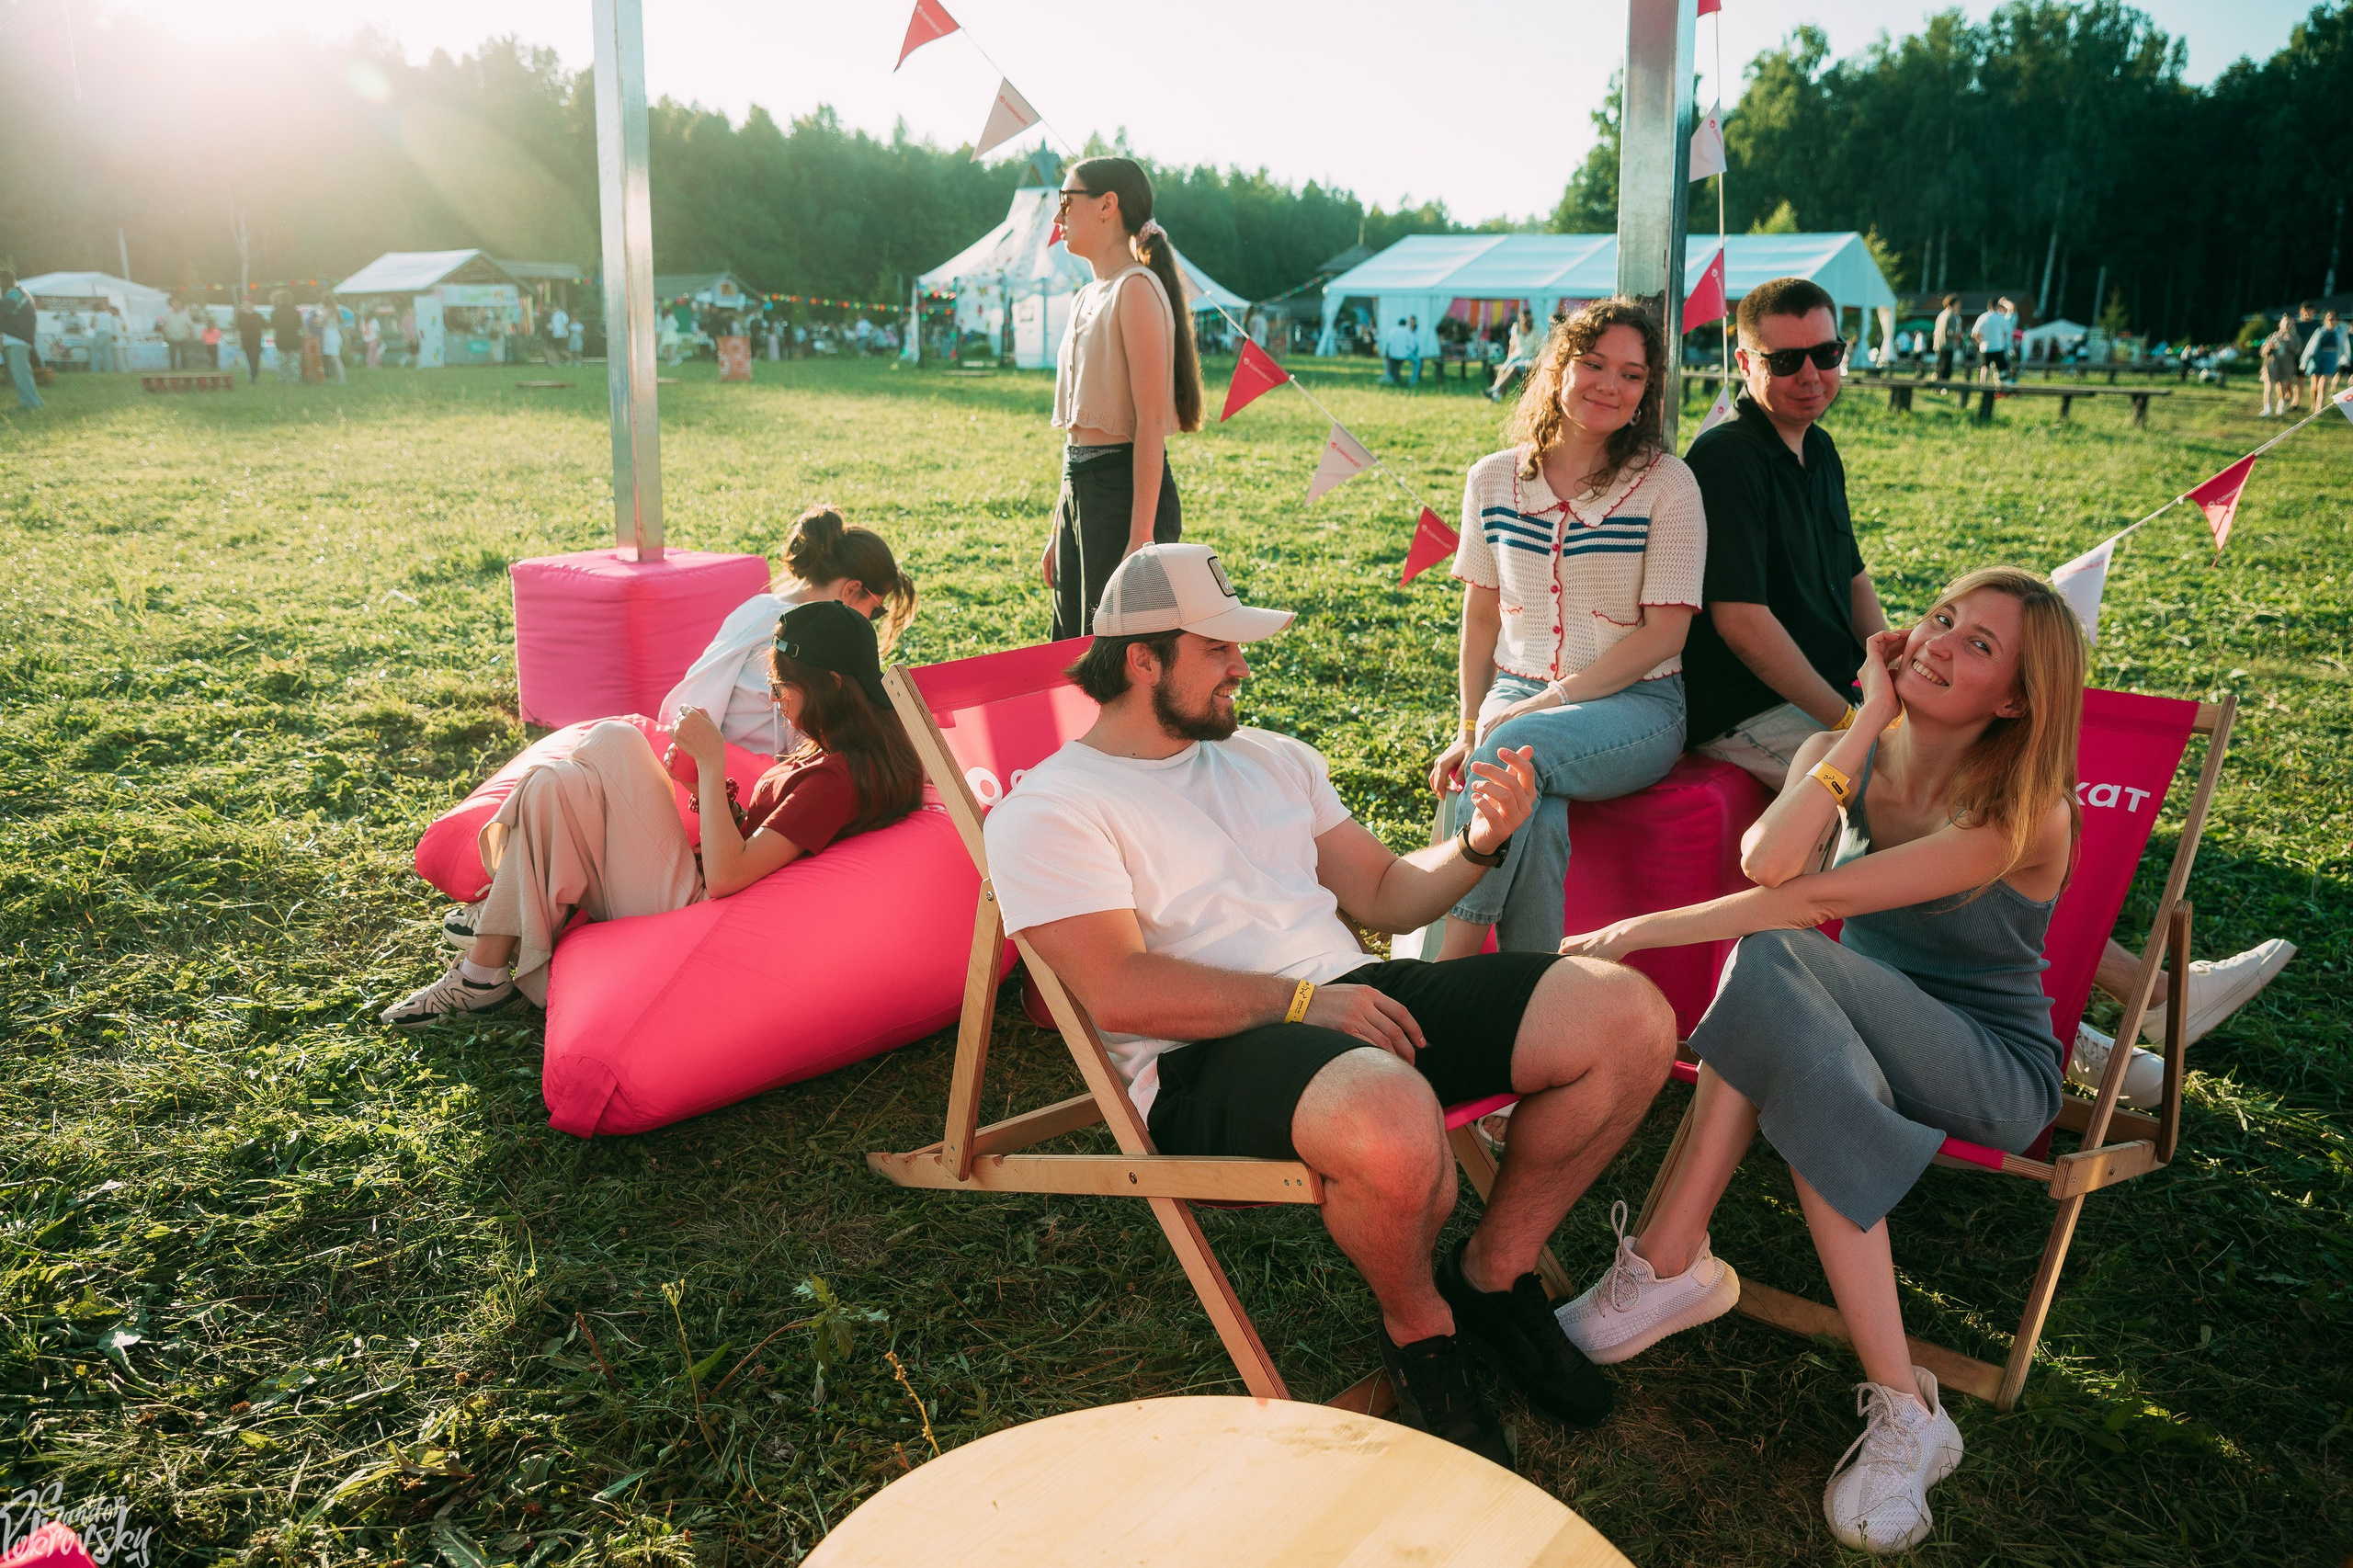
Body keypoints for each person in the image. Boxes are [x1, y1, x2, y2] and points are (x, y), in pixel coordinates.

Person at [983, 542, 1677, 1467]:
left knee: (1626, 1015)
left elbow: (1385, 891)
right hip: (1203, 1057)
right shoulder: (1052, 808)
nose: (1242, 665)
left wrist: (1474, 844)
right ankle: (1419, 1324)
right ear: (1141, 658)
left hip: (1348, 1003)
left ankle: (1492, 1271)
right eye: (1218, 648)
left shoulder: (1268, 757)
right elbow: (1117, 988)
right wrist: (1300, 1001)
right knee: (1390, 1112)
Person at [1556, 567, 2086, 1553]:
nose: (1939, 641)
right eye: (1941, 618)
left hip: (1987, 1066)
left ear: (2014, 697)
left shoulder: (2022, 809)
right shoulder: (1837, 752)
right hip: (1858, 1028)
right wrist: (1857, 726)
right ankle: (1903, 1403)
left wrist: (1633, 930)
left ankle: (1677, 1259)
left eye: (1978, 645)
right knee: (1782, 1006)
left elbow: (1803, 905)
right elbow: (1768, 860)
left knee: (1774, 959)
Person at [383, 600, 924, 1026]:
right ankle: (486, 965)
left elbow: (732, 876)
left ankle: (495, 926)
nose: (775, 702)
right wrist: (698, 785)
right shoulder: (838, 751)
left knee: (609, 742)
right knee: (557, 781)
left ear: (830, 685)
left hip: (699, 909)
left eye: (782, 690)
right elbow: (759, 840)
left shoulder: (836, 779)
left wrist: (712, 766)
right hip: (698, 884)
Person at [1428, 298, 1703, 957]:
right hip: (1516, 690)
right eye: (1594, 363)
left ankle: (1448, 968)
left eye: (1632, 375)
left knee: (1512, 754)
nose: (1610, 385)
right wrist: (1468, 727)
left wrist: (1547, 702)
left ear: (1646, 394)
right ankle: (1532, 985)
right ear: (1557, 368)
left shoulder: (1668, 485)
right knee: (1535, 811)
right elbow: (1483, 614)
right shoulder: (1492, 479)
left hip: (1638, 703)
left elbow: (1664, 636)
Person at [1682, 276, 1887, 790]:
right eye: (1786, 360)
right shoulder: (1726, 458)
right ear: (1746, 362)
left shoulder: (1819, 448)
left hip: (1827, 691)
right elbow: (1742, 623)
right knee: (1886, 794)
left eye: (1826, 353)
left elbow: (1854, 579)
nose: (1812, 375)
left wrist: (1891, 673)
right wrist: (1849, 722)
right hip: (1747, 707)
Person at [1043, 155, 1203, 642]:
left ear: (1107, 205)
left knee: (1114, 652)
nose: (1059, 217)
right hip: (1083, 492)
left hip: (1122, 494)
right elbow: (1076, 437)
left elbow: (1150, 424)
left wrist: (1141, 537)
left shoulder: (1135, 289)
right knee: (1071, 645)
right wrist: (1060, 525)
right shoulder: (1087, 295)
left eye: (1066, 201)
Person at [661, 506, 917, 754]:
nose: (870, 619)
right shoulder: (810, 643)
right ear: (851, 590)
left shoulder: (757, 607)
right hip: (746, 772)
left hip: (706, 754)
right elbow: (821, 743)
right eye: (875, 610)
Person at [1, 272, 40, 411]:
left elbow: (7, 306)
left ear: (5, 281)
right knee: (21, 374)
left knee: (21, 374)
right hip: (15, 339)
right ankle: (32, 402)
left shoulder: (15, 293)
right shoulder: (15, 292)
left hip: (18, 339)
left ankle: (31, 404)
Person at [1485, 305, 1541, 402]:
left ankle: (1495, 389)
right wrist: (1509, 359)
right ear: (1520, 320)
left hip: (1530, 358)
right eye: (1526, 321)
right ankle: (1497, 394)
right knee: (1503, 368)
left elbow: (1541, 350)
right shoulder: (1516, 328)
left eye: (1530, 321)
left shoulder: (1539, 329)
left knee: (1514, 367)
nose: (1528, 324)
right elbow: (1512, 345)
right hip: (1517, 356)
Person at [2300, 308, 2347, 413]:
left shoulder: (2339, 332)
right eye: (2328, 317)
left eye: (2333, 318)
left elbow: (2344, 347)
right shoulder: (2320, 331)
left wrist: (2344, 359)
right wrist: (2305, 361)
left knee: (2324, 383)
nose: (2330, 320)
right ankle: (2314, 404)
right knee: (2315, 384)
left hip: (2331, 357)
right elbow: (2310, 347)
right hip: (2318, 357)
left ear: (2336, 320)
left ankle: (2319, 408)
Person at [2259, 313, 2299, 417]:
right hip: (2271, 365)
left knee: (2283, 388)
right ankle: (2267, 408)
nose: (2288, 325)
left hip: (2285, 366)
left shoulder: (2294, 337)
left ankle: (2281, 405)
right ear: (2280, 323)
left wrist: (2289, 340)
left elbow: (2297, 349)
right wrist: (2269, 346)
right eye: (2286, 322)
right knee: (2269, 386)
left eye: (2290, 323)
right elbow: (2263, 352)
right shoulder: (2273, 336)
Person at [1971, 297, 2014, 383]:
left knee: (1985, 367)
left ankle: (1983, 384)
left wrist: (1979, 343)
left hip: (1985, 347)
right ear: (1997, 306)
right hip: (1998, 347)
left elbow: (1974, 334)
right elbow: (2006, 333)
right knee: (2002, 368)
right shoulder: (2002, 318)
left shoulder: (1983, 317)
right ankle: (2002, 385)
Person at [270, 292, 304, 384]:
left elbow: (273, 326)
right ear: (290, 300)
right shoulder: (295, 311)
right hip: (294, 340)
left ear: (279, 300)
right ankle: (295, 380)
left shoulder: (275, 312)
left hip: (281, 340)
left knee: (282, 363)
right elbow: (300, 325)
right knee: (294, 362)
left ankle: (283, 380)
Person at [233, 299, 266, 383]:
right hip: (246, 340)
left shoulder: (258, 316)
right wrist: (239, 341)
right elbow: (238, 329)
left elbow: (264, 326)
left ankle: (255, 376)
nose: (246, 305)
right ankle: (252, 376)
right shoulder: (241, 316)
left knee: (255, 359)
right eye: (245, 304)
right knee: (249, 359)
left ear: (252, 304)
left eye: (248, 303)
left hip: (256, 341)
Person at [1931, 295, 1961, 382]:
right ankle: (1943, 385)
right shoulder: (1951, 316)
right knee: (1946, 367)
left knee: (1939, 365)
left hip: (1938, 344)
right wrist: (1959, 335)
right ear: (1954, 304)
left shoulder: (1942, 314)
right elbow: (1950, 332)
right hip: (1947, 345)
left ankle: (1937, 384)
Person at [1382, 315, 1417, 386]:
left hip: (1392, 355)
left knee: (1390, 363)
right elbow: (1412, 346)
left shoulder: (1392, 330)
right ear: (1405, 324)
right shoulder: (1407, 331)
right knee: (1418, 362)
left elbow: (1388, 344)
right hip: (1404, 355)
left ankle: (1389, 376)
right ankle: (1413, 381)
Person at [91, 303, 122, 375]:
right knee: (108, 353)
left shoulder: (95, 315)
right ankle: (109, 370)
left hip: (99, 334)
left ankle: (96, 370)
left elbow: (92, 326)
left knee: (96, 353)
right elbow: (113, 325)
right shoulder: (109, 315)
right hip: (108, 334)